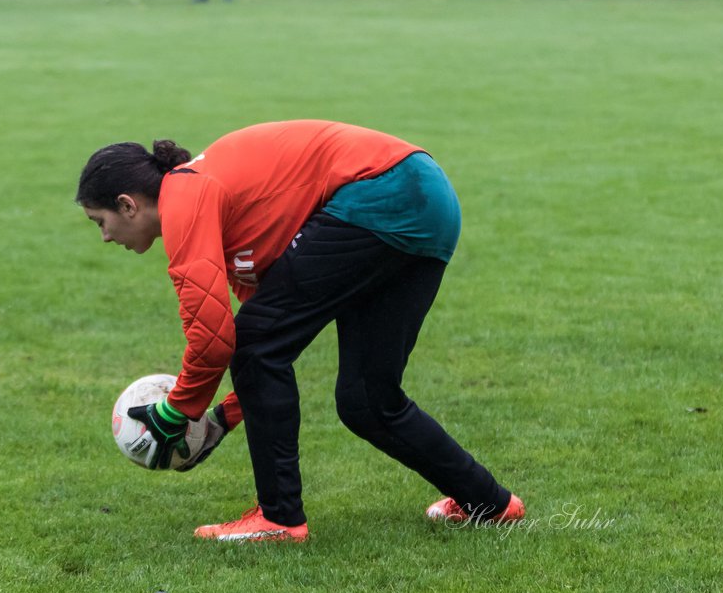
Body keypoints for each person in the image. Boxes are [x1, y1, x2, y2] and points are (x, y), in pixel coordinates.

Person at [76, 121, 526, 543]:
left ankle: (278, 518)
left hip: (381, 193)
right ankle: (489, 502)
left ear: (127, 204)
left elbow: (217, 337)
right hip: (426, 202)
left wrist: (179, 411)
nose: (105, 238)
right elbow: (273, 333)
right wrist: (221, 418)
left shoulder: (184, 195)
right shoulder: (221, 210)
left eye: (101, 222)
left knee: (256, 345)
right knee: (367, 401)